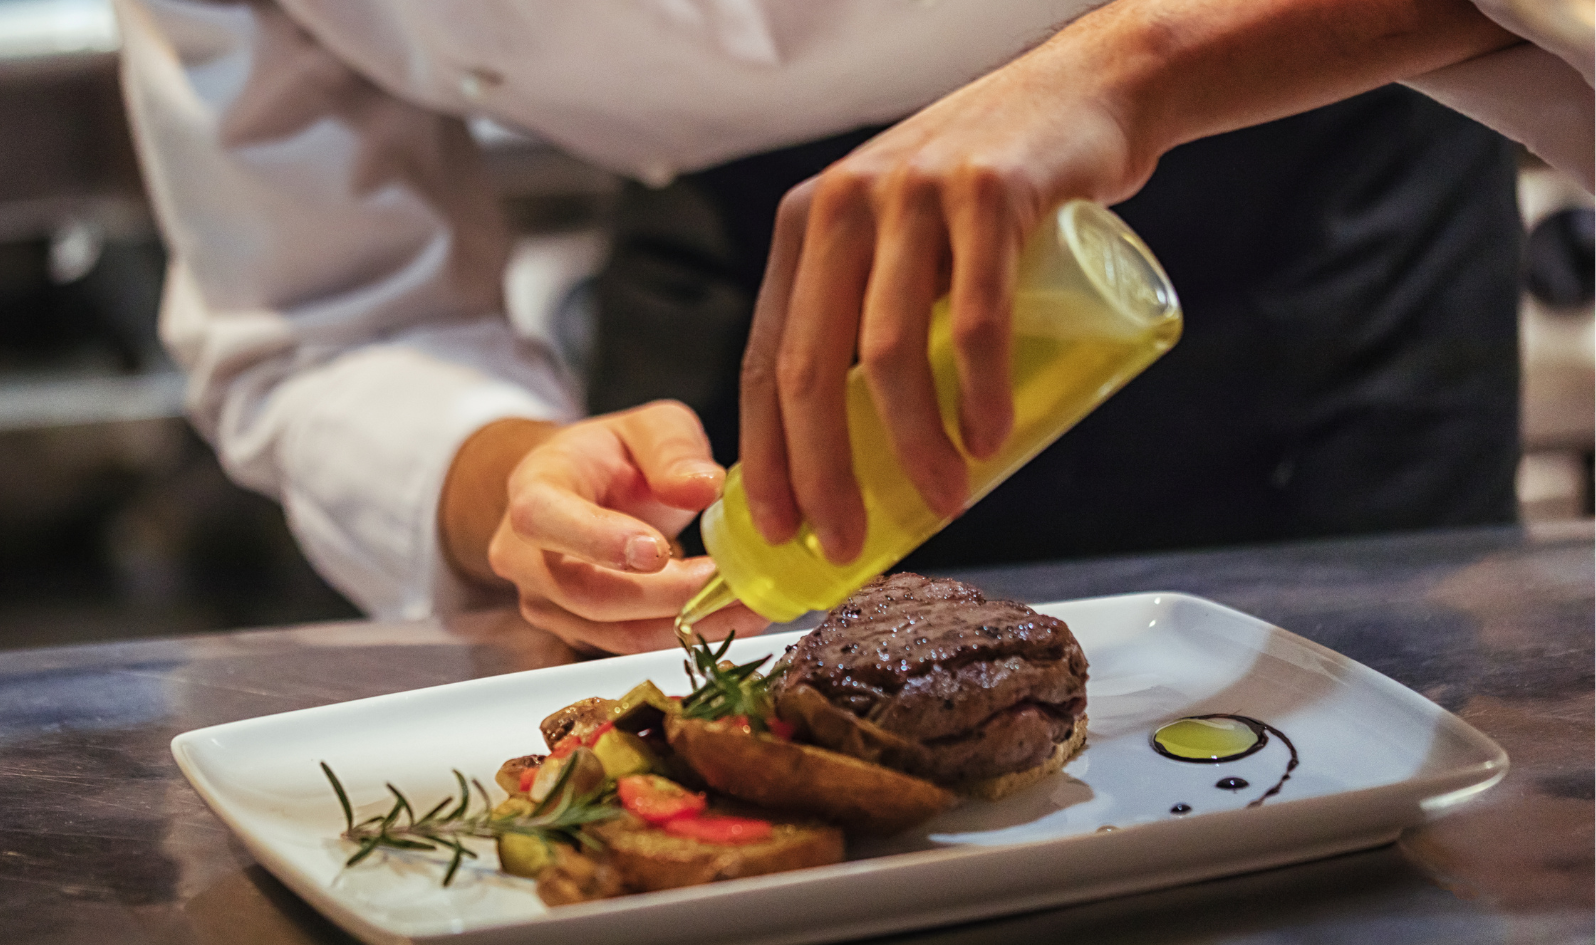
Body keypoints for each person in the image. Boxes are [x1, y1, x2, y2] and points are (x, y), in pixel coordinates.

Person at [115, 0, 1586, 655]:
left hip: (1274, 187)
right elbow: (316, 315)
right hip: (743, 303)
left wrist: (1136, 65)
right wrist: (513, 477)